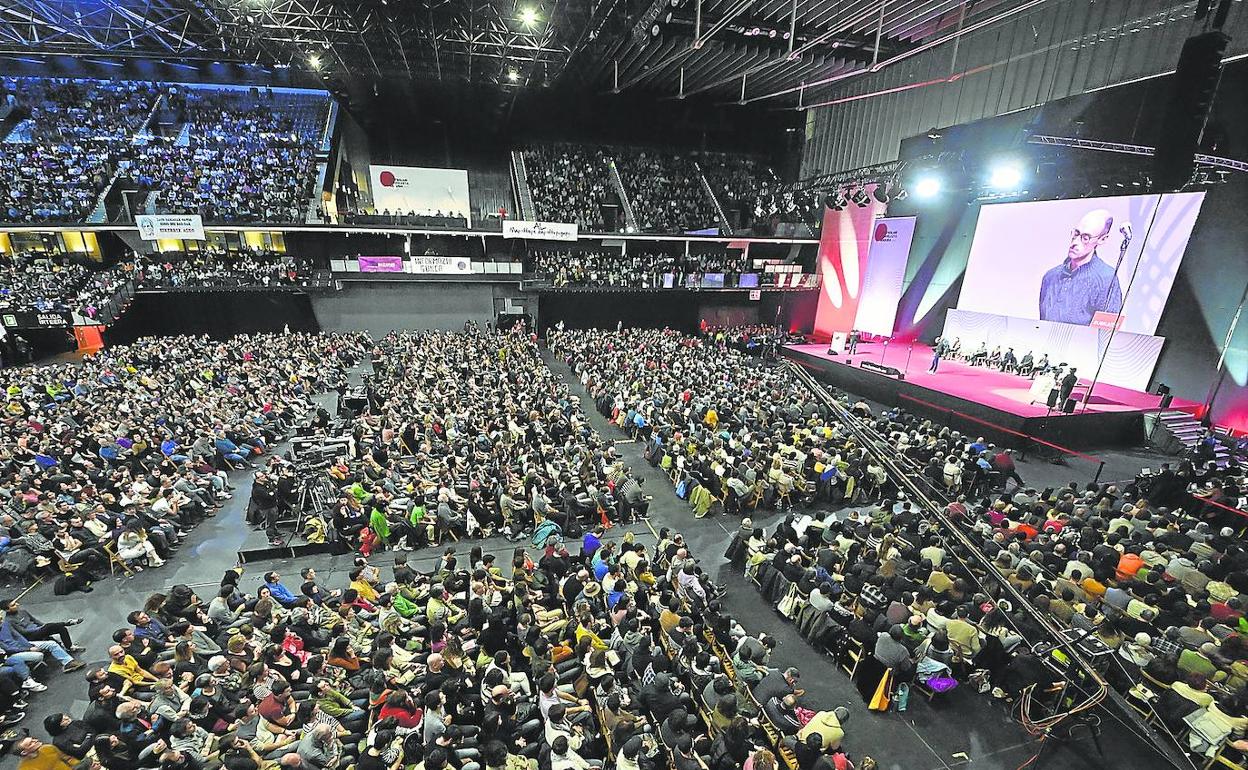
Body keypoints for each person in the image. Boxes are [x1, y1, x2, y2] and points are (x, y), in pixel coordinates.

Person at [1038, 209, 1126, 326]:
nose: (1075, 242)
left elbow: (1105, 334)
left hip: (1082, 343)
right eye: (1076, 233)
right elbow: (1042, 325)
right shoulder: (1050, 276)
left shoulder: (1107, 279)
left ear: (1102, 239)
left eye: (1085, 238)